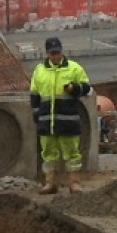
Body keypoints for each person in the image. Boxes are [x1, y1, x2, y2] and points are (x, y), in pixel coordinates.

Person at [30, 36, 92, 194]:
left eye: (57, 52)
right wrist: (36, 114)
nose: (56, 56)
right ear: (47, 54)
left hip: (68, 121)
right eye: (52, 53)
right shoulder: (39, 71)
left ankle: (75, 183)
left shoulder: (74, 68)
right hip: (47, 122)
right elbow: (35, 95)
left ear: (61, 52)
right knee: (49, 154)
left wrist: (74, 88)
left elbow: (87, 88)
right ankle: (50, 183)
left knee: (72, 153)